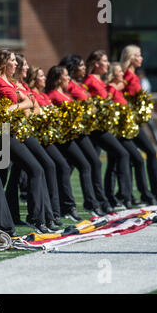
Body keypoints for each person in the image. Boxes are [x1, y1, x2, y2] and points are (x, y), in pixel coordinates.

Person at [0, 48, 54, 234]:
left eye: (15, 61)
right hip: (2, 135)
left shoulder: (12, 82)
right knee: (34, 169)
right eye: (12, 61)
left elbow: (29, 102)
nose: (16, 64)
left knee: (0, 179)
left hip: (13, 132)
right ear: (2, 63)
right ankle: (36, 219)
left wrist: (13, 107)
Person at [42, 65, 109, 217]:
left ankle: (76, 204)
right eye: (66, 76)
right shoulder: (52, 95)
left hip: (75, 134)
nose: (69, 78)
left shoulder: (65, 94)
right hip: (64, 138)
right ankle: (86, 204)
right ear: (59, 79)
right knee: (82, 166)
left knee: (74, 167)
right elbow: (52, 114)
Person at [58, 54, 114, 213]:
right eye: (81, 66)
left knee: (76, 166)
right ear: (73, 68)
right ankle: (92, 203)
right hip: (74, 132)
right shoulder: (68, 84)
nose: (84, 68)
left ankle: (89, 202)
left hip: (84, 129)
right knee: (88, 164)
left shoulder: (79, 84)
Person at [84, 50, 133, 209]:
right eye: (104, 61)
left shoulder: (101, 81)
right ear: (96, 64)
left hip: (103, 126)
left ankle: (106, 199)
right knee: (121, 154)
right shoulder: (90, 80)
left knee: (93, 163)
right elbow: (85, 100)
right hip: (95, 128)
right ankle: (123, 197)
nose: (107, 64)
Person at [105, 62, 157, 206]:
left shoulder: (118, 89)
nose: (122, 74)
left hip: (125, 131)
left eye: (122, 71)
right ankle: (123, 197)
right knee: (121, 161)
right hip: (117, 132)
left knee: (129, 161)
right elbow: (104, 107)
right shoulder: (110, 89)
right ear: (113, 74)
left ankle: (123, 196)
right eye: (119, 72)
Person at [120, 45, 157, 204]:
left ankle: (141, 195)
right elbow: (123, 100)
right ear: (131, 58)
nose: (141, 58)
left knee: (135, 159)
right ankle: (151, 194)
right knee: (148, 153)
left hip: (134, 123)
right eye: (138, 55)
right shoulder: (127, 77)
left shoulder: (133, 76)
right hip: (128, 124)